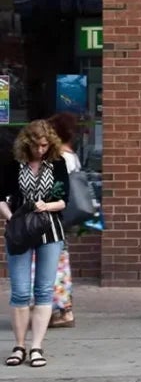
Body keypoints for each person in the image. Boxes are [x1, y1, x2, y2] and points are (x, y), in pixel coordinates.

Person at [1, 120, 70, 367]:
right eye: (37, 145)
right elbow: (1, 198)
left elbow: (64, 200)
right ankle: (19, 346)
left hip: (50, 230)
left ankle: (37, 347)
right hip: (20, 231)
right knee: (20, 291)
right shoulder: (13, 164)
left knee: (43, 290)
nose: (41, 150)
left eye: (45, 145)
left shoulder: (57, 164)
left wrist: (46, 205)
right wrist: (13, 218)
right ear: (27, 143)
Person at [47, 112, 81, 328]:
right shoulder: (72, 156)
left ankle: (63, 310)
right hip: (62, 218)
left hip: (55, 217)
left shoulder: (62, 159)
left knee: (57, 264)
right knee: (59, 262)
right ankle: (59, 309)